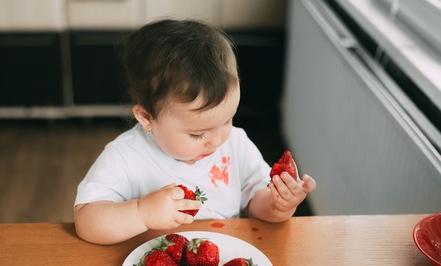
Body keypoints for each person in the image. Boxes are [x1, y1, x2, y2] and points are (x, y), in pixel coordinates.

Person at [74, 19, 316, 245]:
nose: (217, 140)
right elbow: (86, 221)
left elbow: (257, 203)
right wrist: (141, 213)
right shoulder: (125, 156)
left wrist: (279, 204)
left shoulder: (236, 144)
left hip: (219, 264)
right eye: (198, 134)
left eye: (227, 121)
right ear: (147, 118)